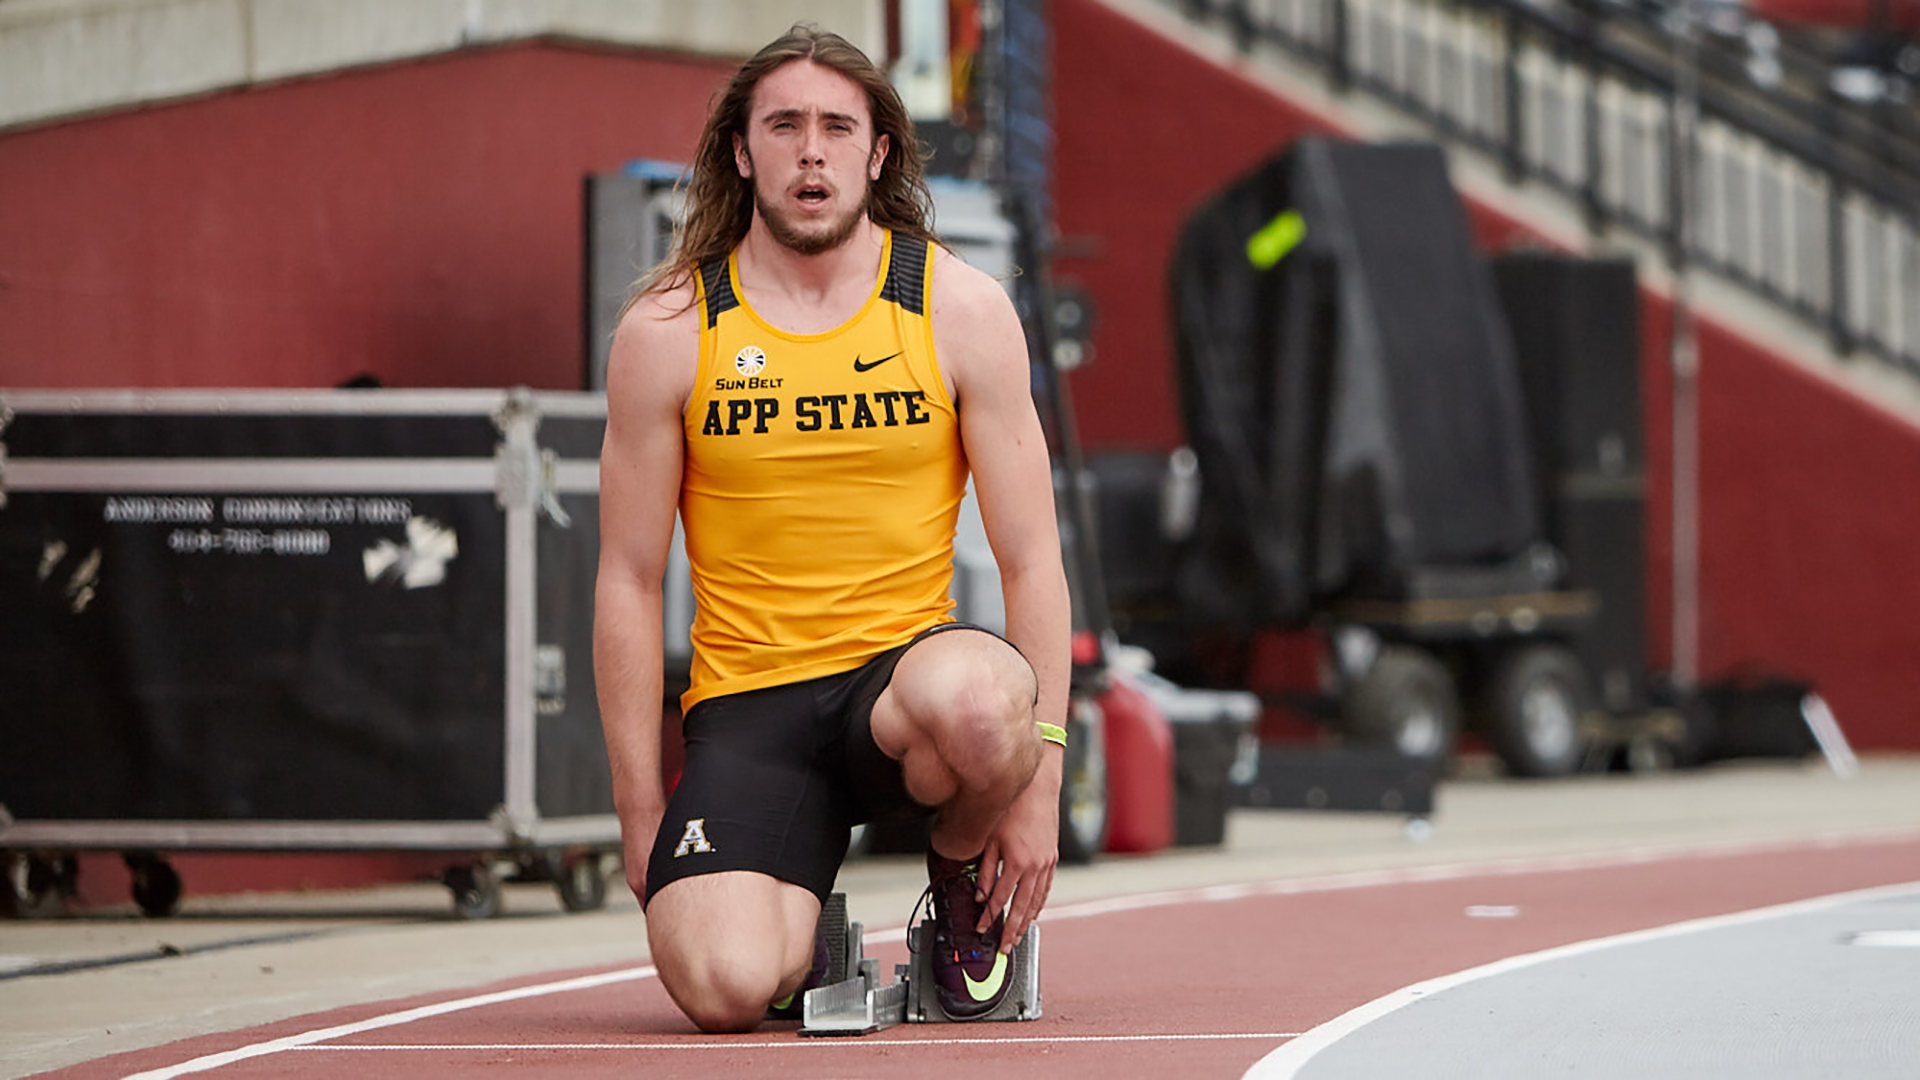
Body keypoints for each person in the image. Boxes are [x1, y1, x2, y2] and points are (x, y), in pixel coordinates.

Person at [593, 24, 1070, 1034]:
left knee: (988, 706)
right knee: (721, 990)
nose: (812, 150)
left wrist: (1041, 785)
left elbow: (1032, 560)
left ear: (877, 151)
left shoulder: (958, 309)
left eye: (836, 127)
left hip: (902, 698)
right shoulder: (670, 330)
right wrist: (640, 812)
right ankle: (802, 932)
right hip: (752, 713)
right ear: (742, 150)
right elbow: (629, 580)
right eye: (785, 125)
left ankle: (952, 884)